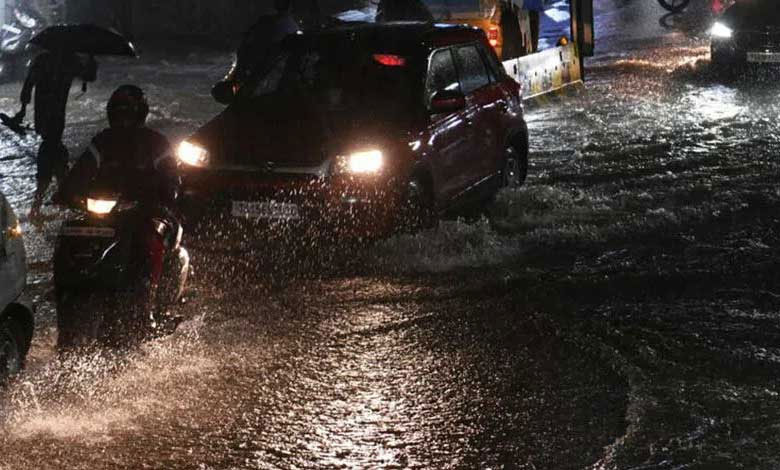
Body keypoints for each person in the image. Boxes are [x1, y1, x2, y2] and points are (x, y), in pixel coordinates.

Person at [54, 85, 179, 350]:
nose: (123, 119)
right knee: (68, 235)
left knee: (147, 243)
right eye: (119, 113)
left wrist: (161, 195)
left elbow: (171, 179)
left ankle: (148, 305)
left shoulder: (156, 143)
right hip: (107, 214)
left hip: (143, 211)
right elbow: (80, 172)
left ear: (139, 114)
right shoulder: (102, 142)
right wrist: (66, 192)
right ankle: (67, 309)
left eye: (128, 113)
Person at [14, 49, 97, 220]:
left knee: (54, 153)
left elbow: (28, 84)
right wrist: (91, 61)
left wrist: (22, 110)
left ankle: (51, 202)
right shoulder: (69, 60)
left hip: (45, 116)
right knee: (53, 153)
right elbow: (88, 76)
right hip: (54, 116)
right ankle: (54, 202)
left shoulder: (44, 59)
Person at [211, 0, 300, 103]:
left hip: (262, 66)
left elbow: (245, 45)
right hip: (264, 66)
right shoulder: (289, 24)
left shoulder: (269, 22)